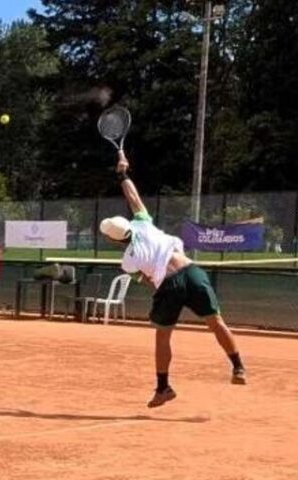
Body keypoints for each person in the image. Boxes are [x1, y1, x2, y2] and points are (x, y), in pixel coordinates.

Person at [101, 151, 246, 408]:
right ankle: (238, 367)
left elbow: (147, 280)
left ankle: (163, 387)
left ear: (114, 240)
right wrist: (122, 172)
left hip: (169, 284)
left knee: (162, 336)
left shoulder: (128, 260)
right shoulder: (143, 223)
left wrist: (159, 285)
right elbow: (133, 197)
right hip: (192, 271)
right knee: (216, 322)